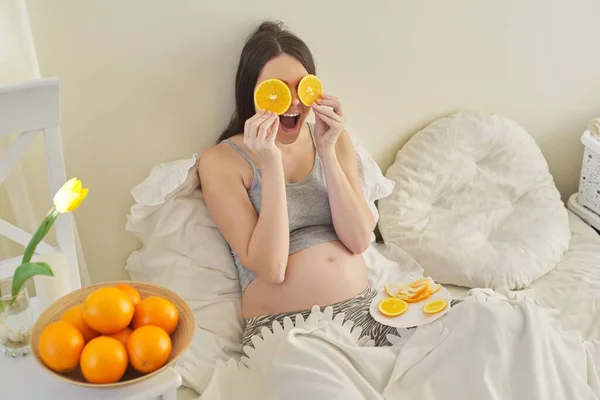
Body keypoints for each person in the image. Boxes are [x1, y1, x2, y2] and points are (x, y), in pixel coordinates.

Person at [199, 20, 398, 348]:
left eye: (301, 86)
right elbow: (272, 268)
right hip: (285, 329)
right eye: (276, 89)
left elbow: (359, 239)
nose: (293, 101)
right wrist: (271, 164)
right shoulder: (221, 162)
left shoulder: (334, 140)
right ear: (252, 92)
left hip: (365, 311)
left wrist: (327, 152)